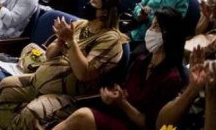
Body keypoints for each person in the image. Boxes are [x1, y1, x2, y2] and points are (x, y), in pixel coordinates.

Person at [0, 0, 127, 129]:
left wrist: (71, 41)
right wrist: (61, 41)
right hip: (40, 79)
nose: (88, 5)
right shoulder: (81, 25)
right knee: (6, 86)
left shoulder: (111, 40)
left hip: (67, 96)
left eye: (93, 3)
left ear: (104, 12)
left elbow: (83, 73)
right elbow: (49, 54)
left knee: (32, 112)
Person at [54, 8, 187, 130]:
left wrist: (121, 103)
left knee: (82, 117)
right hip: (120, 117)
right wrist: (114, 95)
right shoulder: (141, 61)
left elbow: (151, 124)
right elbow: (126, 92)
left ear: (167, 35)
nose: (150, 30)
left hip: (136, 127)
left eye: (156, 27)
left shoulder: (172, 79)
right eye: (151, 25)